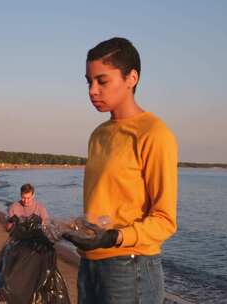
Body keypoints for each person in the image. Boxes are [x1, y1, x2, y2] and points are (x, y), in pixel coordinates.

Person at [63, 37, 178, 304]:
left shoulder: (154, 134)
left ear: (131, 78)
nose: (92, 90)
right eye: (88, 82)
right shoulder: (99, 135)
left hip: (130, 266)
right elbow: (105, 203)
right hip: (89, 263)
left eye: (102, 81)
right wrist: (69, 228)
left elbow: (165, 220)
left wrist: (114, 236)